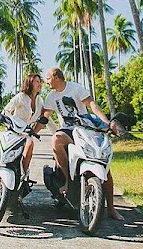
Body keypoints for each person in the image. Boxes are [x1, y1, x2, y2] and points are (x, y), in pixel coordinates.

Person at [38, 67, 124, 221]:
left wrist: (106, 123)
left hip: (86, 127)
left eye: (48, 78)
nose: (46, 82)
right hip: (68, 131)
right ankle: (66, 181)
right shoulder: (50, 97)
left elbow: (92, 105)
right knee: (56, 139)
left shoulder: (75, 88)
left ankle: (111, 208)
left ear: (56, 77)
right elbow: (45, 117)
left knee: (102, 163)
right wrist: (31, 132)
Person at [2, 73, 42, 175]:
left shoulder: (40, 100)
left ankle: (23, 173)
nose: (39, 84)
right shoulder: (20, 97)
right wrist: (10, 122)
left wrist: (56, 132)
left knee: (30, 144)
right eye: (36, 81)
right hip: (14, 131)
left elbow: (46, 118)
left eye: (40, 81)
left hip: (27, 133)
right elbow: (6, 110)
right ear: (30, 83)